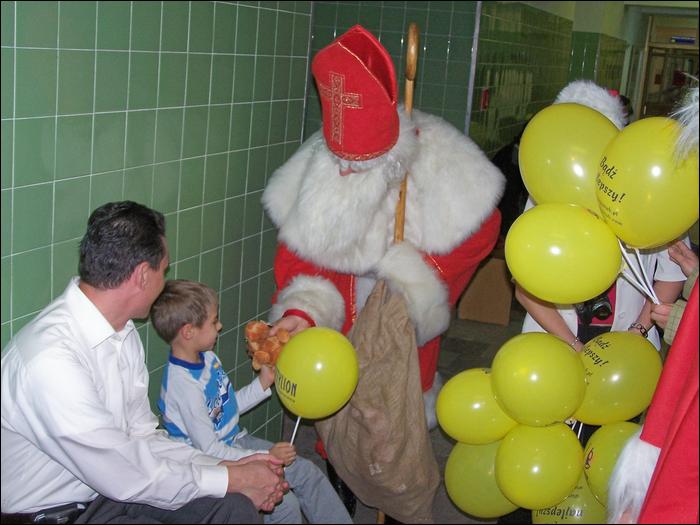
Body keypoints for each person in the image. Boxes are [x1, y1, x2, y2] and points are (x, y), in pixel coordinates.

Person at [261, 24, 504, 514]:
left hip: (398, 322)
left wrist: (413, 272)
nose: (346, 173)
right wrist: (302, 311)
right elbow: (302, 255)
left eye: (360, 166)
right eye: (342, 165)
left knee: (392, 427)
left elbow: (482, 228)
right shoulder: (321, 164)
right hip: (343, 317)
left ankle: (391, 502)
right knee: (338, 426)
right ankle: (340, 496)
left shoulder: (437, 158)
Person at [1, 201, 286, 524]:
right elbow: (123, 473)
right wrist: (232, 478)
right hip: (54, 513)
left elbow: (142, 439)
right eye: (163, 270)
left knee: (234, 508)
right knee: (227, 493)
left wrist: (224, 467)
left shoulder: (122, 333)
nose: (164, 281)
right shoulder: (50, 361)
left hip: (107, 492)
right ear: (142, 276)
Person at [151, 279, 353, 524]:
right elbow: (209, 450)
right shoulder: (183, 385)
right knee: (285, 504)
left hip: (234, 441)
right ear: (188, 332)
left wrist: (262, 383)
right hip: (211, 462)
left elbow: (226, 409)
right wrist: (266, 456)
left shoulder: (207, 358)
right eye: (214, 321)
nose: (220, 326)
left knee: (307, 473)